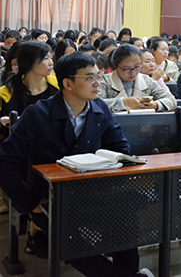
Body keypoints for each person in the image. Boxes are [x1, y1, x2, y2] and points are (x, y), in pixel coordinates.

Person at [0, 52, 154, 277]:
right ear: (67, 83)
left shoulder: (99, 108)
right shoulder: (38, 113)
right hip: (49, 197)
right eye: (90, 78)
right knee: (72, 245)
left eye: (98, 77)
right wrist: (29, 203)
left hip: (92, 191)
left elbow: (120, 148)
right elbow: (5, 160)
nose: (97, 83)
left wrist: (115, 165)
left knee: (125, 221)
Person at [98, 44, 176, 112]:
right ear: (115, 66)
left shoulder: (147, 81)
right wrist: (123, 102)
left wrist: (156, 104)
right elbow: (95, 103)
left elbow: (171, 100)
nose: (133, 72)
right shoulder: (105, 81)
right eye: (127, 69)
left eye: (137, 67)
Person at [0, 41, 59, 117]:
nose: (51, 63)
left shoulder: (58, 84)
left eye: (51, 58)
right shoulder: (6, 94)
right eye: (46, 58)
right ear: (29, 62)